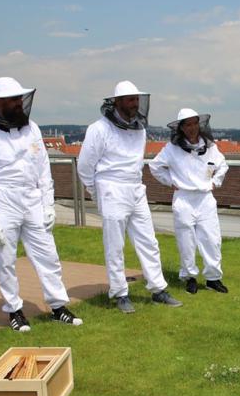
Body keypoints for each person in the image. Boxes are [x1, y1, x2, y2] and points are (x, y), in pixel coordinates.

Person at [0, 77, 81, 331]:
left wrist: (48, 204)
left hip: (31, 199)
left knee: (48, 254)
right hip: (1, 200)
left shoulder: (32, 129)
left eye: (20, 98)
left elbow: (43, 170)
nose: (19, 103)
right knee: (5, 259)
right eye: (13, 100)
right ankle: (14, 310)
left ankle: (57, 306)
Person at [77, 80, 182, 313]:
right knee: (114, 245)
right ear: (117, 102)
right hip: (111, 188)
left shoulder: (140, 129)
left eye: (137, 99)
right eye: (130, 100)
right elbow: (85, 167)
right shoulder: (99, 129)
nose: (135, 104)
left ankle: (158, 289)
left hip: (135, 188)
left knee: (148, 240)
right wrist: (96, 193)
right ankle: (120, 293)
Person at [149, 108, 229, 294]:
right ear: (181, 128)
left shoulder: (210, 147)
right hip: (183, 198)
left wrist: (215, 182)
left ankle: (213, 278)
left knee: (211, 239)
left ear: (199, 125)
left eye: (195, 123)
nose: (192, 128)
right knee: (186, 240)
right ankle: (189, 277)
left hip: (205, 198)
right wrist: (170, 182)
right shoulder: (171, 149)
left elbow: (223, 165)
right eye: (188, 124)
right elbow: (155, 167)